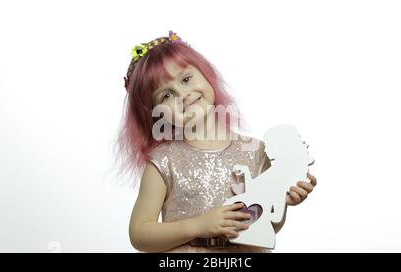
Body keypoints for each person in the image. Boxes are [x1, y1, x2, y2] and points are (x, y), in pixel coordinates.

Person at [117, 31, 317, 253]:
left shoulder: (255, 151)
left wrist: (283, 199)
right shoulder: (164, 161)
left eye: (186, 79)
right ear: (156, 114)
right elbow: (140, 234)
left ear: (206, 74)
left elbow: (265, 225)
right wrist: (199, 225)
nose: (183, 94)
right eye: (166, 95)